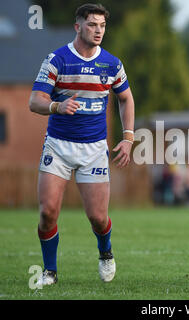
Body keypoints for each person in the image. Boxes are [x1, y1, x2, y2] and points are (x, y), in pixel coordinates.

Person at [29, 3, 135, 285]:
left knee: (99, 219)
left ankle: (106, 252)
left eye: (102, 25)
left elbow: (126, 98)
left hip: (93, 150)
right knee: (47, 212)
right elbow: (34, 101)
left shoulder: (112, 64)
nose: (98, 30)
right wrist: (56, 106)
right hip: (58, 146)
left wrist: (128, 137)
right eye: (92, 25)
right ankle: (50, 271)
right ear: (78, 27)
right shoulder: (57, 60)